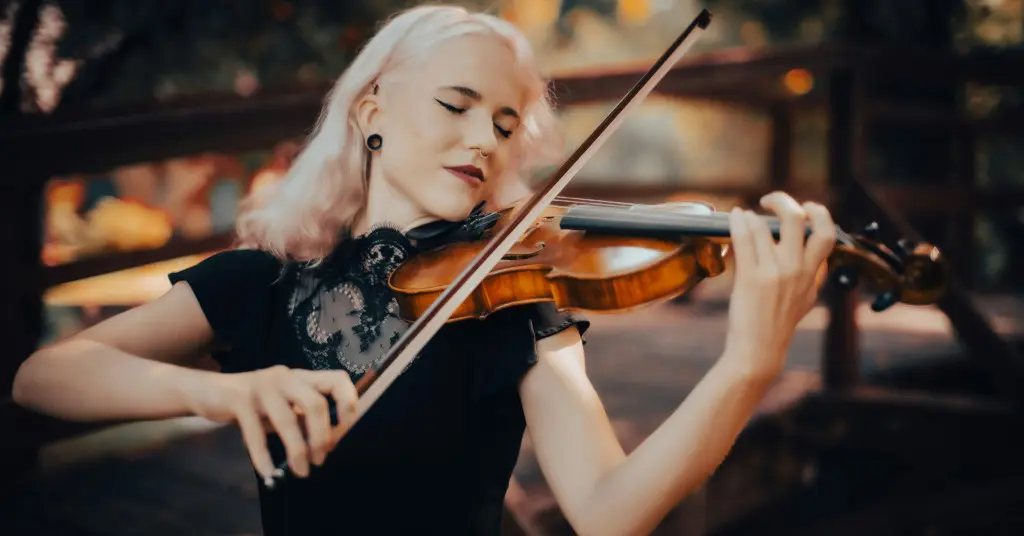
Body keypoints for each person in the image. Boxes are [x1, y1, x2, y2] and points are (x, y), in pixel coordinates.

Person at [13, 5, 837, 535]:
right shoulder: (265, 279)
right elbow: (47, 375)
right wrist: (223, 391)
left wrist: (748, 364)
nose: (485, 137)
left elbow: (608, 515)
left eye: (507, 123)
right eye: (456, 105)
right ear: (371, 109)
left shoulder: (511, 299)